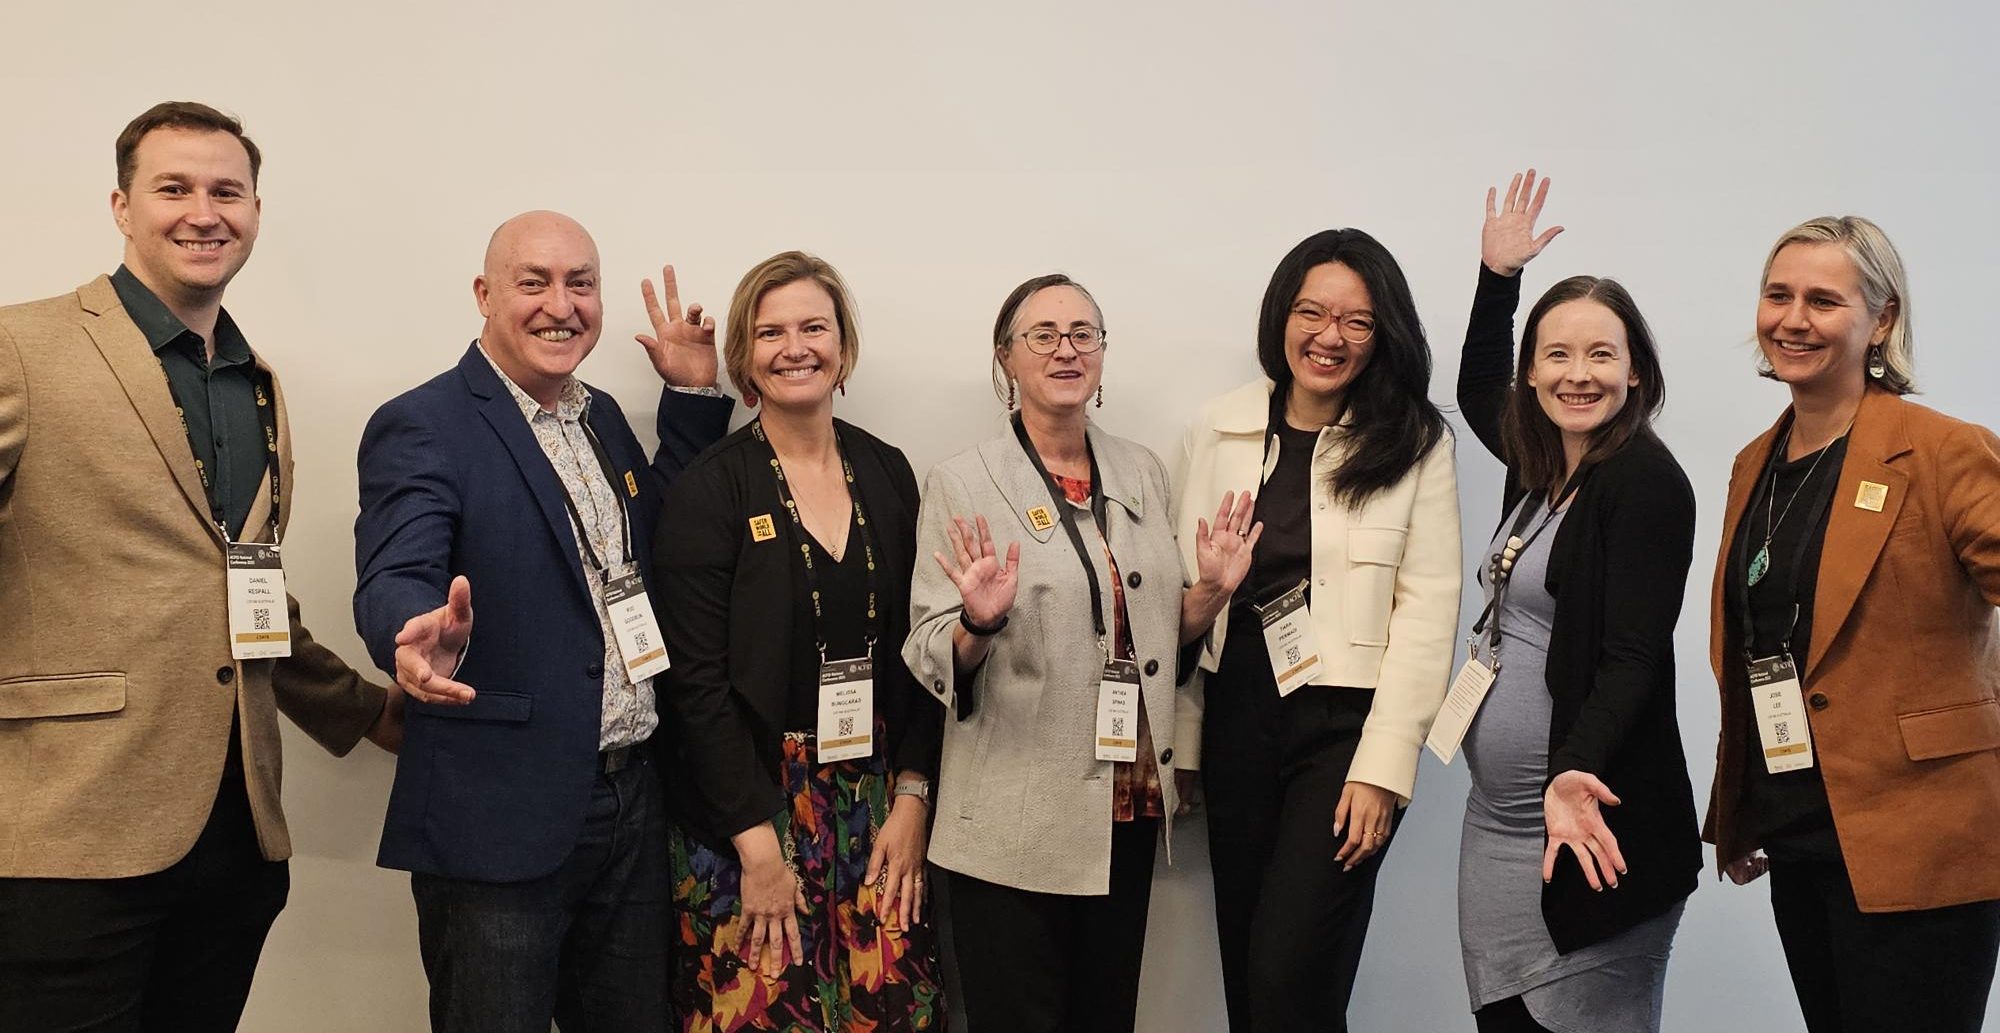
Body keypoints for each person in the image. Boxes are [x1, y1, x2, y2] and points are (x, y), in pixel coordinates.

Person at [0, 101, 398, 1032]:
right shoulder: (22, 346)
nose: (203, 211)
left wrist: (371, 711)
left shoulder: (256, 384)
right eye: (172, 188)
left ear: (256, 210)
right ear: (121, 205)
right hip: (67, 839)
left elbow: (242, 595)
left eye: (228, 190)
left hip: (238, 842)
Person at [353, 211, 730, 1032]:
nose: (561, 305)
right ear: (485, 295)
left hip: (631, 796)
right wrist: (408, 630)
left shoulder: (597, 417)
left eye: (581, 283)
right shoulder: (426, 421)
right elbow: (398, 566)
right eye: (534, 282)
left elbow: (653, 543)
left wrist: (693, 396)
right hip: (500, 807)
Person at [903, 272, 1253, 1033]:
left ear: (1102, 353)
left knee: (1106, 1017)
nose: (1067, 350)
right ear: (1007, 359)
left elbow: (1154, 633)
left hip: (1122, 806)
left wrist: (1210, 595)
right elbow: (930, 651)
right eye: (1044, 335)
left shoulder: (1140, 471)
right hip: (1011, 819)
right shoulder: (963, 480)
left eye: (1083, 334)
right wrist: (979, 621)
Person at [1705, 215, 2000, 1033]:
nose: (1793, 319)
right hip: (1798, 833)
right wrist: (1742, 800)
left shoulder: (1942, 450)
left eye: (1824, 300)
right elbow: (1758, 640)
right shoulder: (1753, 463)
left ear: (1883, 319)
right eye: (1779, 295)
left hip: (1923, 841)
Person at [1175, 228, 1461, 1031]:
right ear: (1282, 316)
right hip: (1238, 717)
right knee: (1252, 973)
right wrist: (1186, 744)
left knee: (1286, 974)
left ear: (1384, 335)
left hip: (1344, 730)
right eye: (1311, 311)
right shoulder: (1219, 428)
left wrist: (1383, 768)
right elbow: (1181, 604)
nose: (1328, 336)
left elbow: (1429, 611)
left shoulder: (1412, 442)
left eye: (1357, 321)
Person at [653, 251, 947, 1030]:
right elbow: (696, 686)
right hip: (748, 809)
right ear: (745, 359)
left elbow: (923, 648)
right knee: (762, 1013)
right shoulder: (711, 489)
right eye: (770, 331)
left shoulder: (887, 471)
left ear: (843, 346)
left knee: (891, 1011)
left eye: (814, 326)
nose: (795, 347)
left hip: (877, 809)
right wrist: (756, 847)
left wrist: (914, 796)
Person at [1453, 171, 1700, 1033]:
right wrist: (1498, 280)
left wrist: (1568, 774)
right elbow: (1481, 373)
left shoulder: (1646, 484)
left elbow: (1633, 657)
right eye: (1556, 354)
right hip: (1501, 834)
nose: (1578, 374)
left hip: (1586, 829)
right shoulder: (1541, 460)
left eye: (1602, 354)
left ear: (1636, 372)